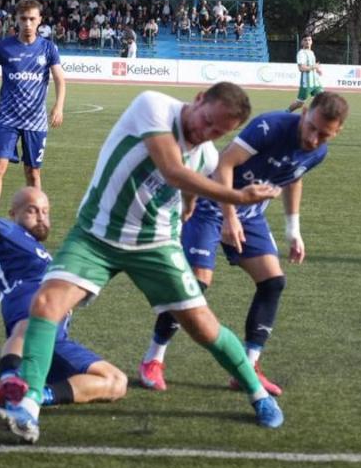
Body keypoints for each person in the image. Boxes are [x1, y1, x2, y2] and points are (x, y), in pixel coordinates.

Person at [0, 83, 284, 443]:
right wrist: (235, 198)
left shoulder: (205, 154)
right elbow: (173, 171)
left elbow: (189, 183)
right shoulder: (154, 106)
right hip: (96, 235)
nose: (206, 133)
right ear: (200, 99)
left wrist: (189, 205)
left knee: (204, 328)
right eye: (207, 122)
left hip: (155, 245)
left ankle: (258, 394)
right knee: (46, 304)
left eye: (218, 133)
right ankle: (28, 404)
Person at [139, 91, 349, 395]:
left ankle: (248, 367)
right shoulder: (270, 126)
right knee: (195, 285)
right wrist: (229, 217)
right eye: (312, 127)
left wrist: (294, 230)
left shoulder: (318, 152)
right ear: (304, 114)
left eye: (325, 135)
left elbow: (293, 177)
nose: (314, 139)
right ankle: (153, 359)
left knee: (273, 282)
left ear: (337, 132)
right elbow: (223, 165)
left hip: (250, 214)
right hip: (211, 203)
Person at [0, 129, 127, 408]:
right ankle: (9, 381)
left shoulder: (42, 251)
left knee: (116, 381)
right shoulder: (5, 231)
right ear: (13, 213)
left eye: (45, 210)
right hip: (29, 317)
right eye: (32, 210)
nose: (41, 216)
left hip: (54, 340)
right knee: (30, 324)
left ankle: (38, 396)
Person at [0, 0, 67, 236]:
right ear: (16, 20)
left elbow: (60, 79)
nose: (28, 24)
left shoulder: (48, 48)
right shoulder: (4, 47)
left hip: (36, 121)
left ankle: (37, 223)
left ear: (40, 20)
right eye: (23, 19)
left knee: (32, 173)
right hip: (7, 119)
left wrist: (58, 106)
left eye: (32, 19)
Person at [287, 35, 322, 112]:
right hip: (306, 83)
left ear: (312, 42)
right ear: (302, 42)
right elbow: (301, 68)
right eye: (305, 40)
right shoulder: (301, 53)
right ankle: (285, 113)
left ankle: (313, 116)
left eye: (309, 40)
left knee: (322, 100)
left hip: (316, 82)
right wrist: (314, 67)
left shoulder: (311, 52)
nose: (307, 42)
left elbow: (312, 65)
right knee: (300, 103)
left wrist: (317, 69)